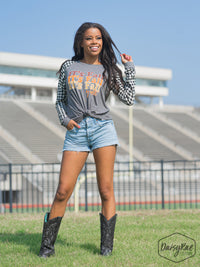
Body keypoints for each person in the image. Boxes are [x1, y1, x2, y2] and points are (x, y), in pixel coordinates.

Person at [39, 22, 135, 258]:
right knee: (62, 191)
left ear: (103, 41)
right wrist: (65, 120)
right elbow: (60, 100)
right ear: (81, 41)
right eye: (90, 38)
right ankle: (46, 248)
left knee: (105, 190)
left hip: (103, 129)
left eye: (99, 38)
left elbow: (129, 98)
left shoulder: (109, 69)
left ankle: (106, 250)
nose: (95, 42)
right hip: (76, 131)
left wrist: (129, 68)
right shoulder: (69, 67)